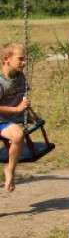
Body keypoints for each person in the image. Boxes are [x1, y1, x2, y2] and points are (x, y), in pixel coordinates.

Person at [0, 43, 30, 191]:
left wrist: (26, 111)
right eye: (20, 59)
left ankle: (10, 169)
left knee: (18, 135)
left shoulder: (20, 76)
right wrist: (16, 109)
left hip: (6, 120)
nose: (24, 62)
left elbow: (22, 95)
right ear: (7, 59)